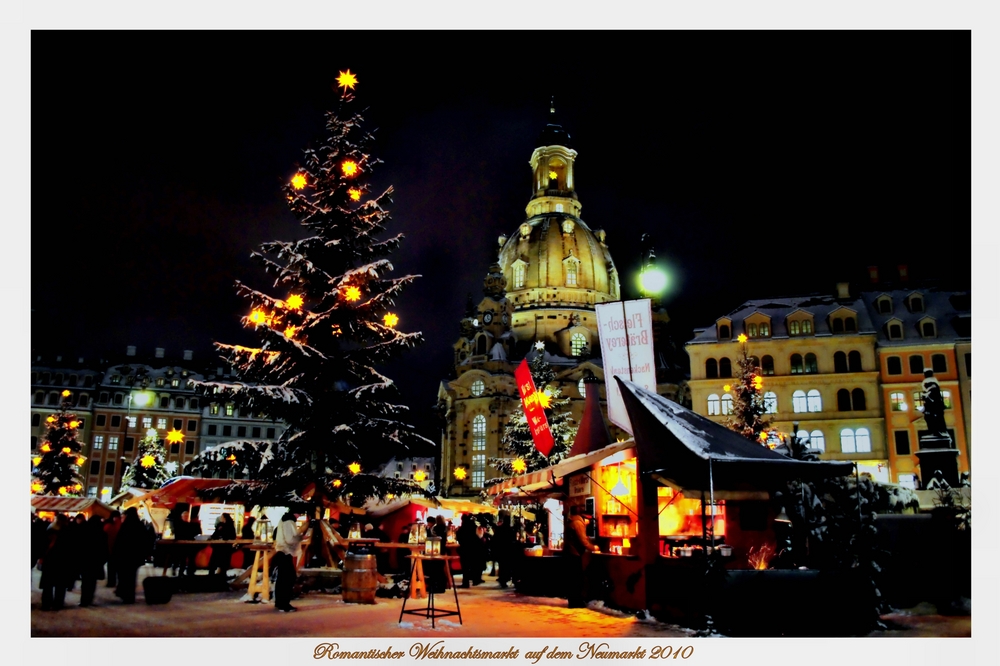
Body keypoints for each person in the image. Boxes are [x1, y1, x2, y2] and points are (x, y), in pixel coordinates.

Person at [563, 504, 600, 608]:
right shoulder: (578, 523)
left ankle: (573, 601)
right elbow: (583, 542)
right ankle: (576, 602)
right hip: (574, 554)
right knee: (577, 579)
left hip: (569, 553)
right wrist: (594, 548)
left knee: (572, 579)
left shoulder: (571, 521)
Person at [112, 507, 150, 604]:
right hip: (135, 557)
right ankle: (130, 595)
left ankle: (125, 595)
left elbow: (119, 542)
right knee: (132, 577)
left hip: (124, 556)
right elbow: (145, 541)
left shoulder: (126, 526)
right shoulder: (140, 525)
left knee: (124, 576)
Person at [274, 512, 307, 612]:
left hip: (282, 552)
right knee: (288, 578)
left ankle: (279, 602)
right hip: (285, 552)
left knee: (282, 578)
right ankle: (284, 604)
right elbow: (290, 539)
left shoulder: (285, 519)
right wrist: (301, 537)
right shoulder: (289, 521)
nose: (299, 516)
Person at [39, 514, 73, 611]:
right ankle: (58, 603)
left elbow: (45, 544)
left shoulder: (50, 529)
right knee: (60, 585)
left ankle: (46, 604)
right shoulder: (68, 531)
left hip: (50, 559)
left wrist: (42, 556)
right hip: (63, 560)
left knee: (48, 584)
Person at [79, 515, 109, 606]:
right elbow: (105, 549)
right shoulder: (102, 534)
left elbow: (79, 547)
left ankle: (84, 600)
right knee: (92, 582)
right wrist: (102, 560)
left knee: (85, 581)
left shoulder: (84, 532)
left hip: (85, 560)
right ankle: (89, 598)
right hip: (96, 561)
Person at [456, 513, 484, 587]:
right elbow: (479, 537)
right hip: (474, 549)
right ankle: (475, 580)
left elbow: (459, 537)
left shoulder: (462, 528)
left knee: (465, 567)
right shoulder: (474, 527)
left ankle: (466, 582)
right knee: (473, 565)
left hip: (465, 549)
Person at [493, 511, 516, 589]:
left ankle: (503, 579)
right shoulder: (510, 530)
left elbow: (495, 539)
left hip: (501, 550)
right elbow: (513, 540)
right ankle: (505, 579)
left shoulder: (500, 529)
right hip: (508, 551)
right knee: (506, 566)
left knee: (502, 566)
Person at [208, 513, 237, 577]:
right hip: (218, 547)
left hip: (225, 547)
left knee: (223, 562)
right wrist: (211, 538)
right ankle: (211, 575)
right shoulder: (220, 525)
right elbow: (215, 534)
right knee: (214, 561)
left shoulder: (230, 526)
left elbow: (232, 536)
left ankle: (222, 575)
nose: (220, 518)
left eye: (222, 517)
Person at [103, 510, 122, 588]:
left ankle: (111, 582)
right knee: (115, 567)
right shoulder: (119, 524)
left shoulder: (108, 525)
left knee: (112, 567)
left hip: (112, 549)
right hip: (115, 549)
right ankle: (113, 582)